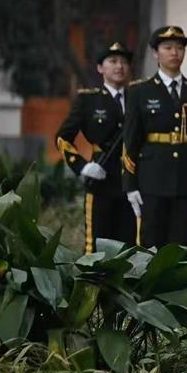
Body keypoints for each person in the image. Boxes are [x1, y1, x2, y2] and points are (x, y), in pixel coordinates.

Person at [121, 26, 187, 250]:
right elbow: (131, 141)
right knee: (150, 247)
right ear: (155, 53)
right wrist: (130, 186)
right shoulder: (139, 91)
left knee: (181, 248)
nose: (174, 53)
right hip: (152, 182)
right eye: (168, 48)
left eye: (180, 48)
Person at [56, 41, 136, 252]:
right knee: (97, 246)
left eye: (124, 62)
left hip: (133, 181)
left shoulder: (138, 99)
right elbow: (63, 138)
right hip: (102, 180)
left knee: (130, 247)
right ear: (101, 68)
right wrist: (81, 167)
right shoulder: (88, 101)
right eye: (113, 61)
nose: (119, 66)